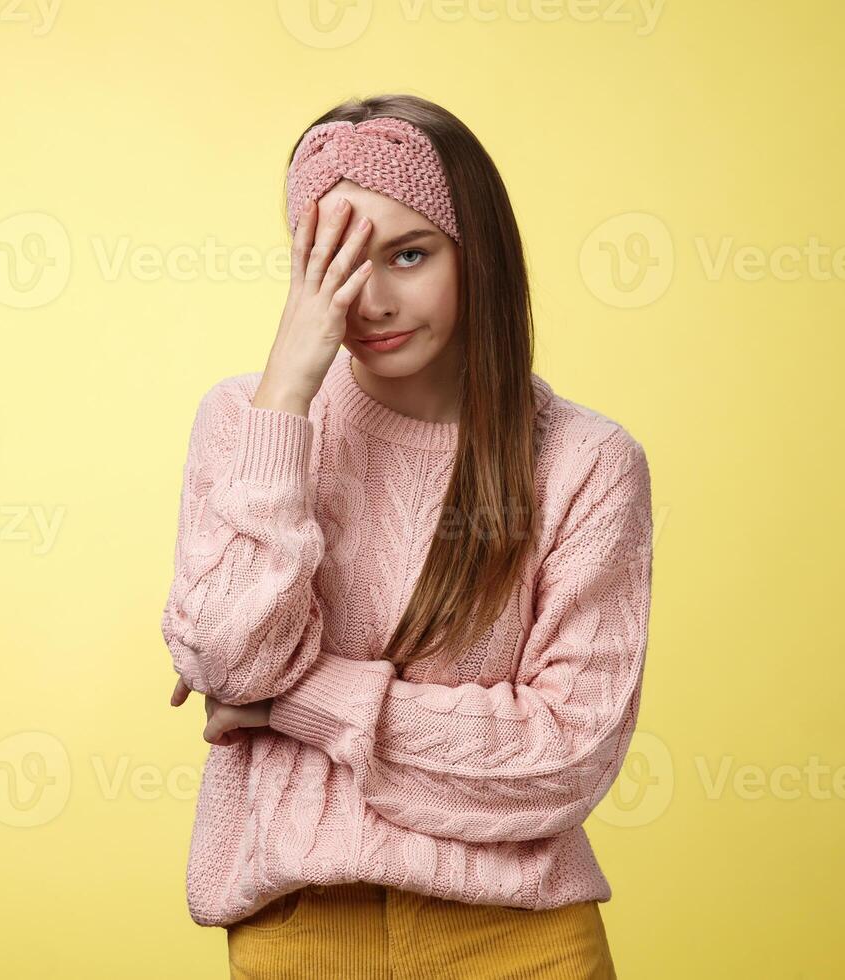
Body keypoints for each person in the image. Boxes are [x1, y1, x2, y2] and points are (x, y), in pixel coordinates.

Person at [160, 93, 651, 979]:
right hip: (303, 925)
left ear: (479, 254)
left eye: (409, 254)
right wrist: (285, 399)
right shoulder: (247, 421)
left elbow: (564, 753)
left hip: (521, 935)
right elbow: (228, 660)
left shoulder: (586, 462)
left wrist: (292, 704)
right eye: (334, 262)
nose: (371, 299)